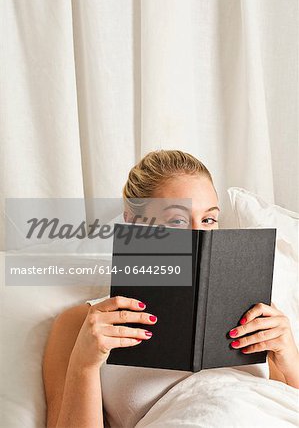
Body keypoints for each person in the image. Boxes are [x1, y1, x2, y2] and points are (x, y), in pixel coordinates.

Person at [43, 150, 299, 428]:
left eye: (208, 220)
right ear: (133, 223)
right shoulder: (83, 324)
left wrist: (288, 357)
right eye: (177, 221)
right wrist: (84, 364)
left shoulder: (252, 306)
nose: (198, 235)